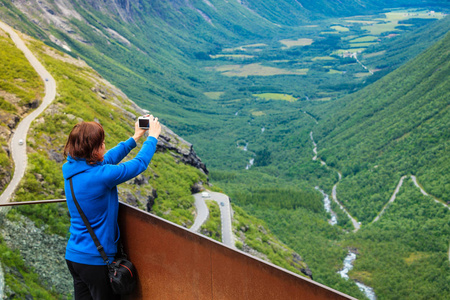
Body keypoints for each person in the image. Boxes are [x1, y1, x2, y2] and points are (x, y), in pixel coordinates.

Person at [62, 115, 161, 300]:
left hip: (74, 257)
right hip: (95, 261)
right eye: (102, 144)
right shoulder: (100, 176)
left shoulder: (72, 168)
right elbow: (140, 164)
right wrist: (152, 138)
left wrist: (135, 138)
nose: (105, 147)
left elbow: (105, 160)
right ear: (94, 149)